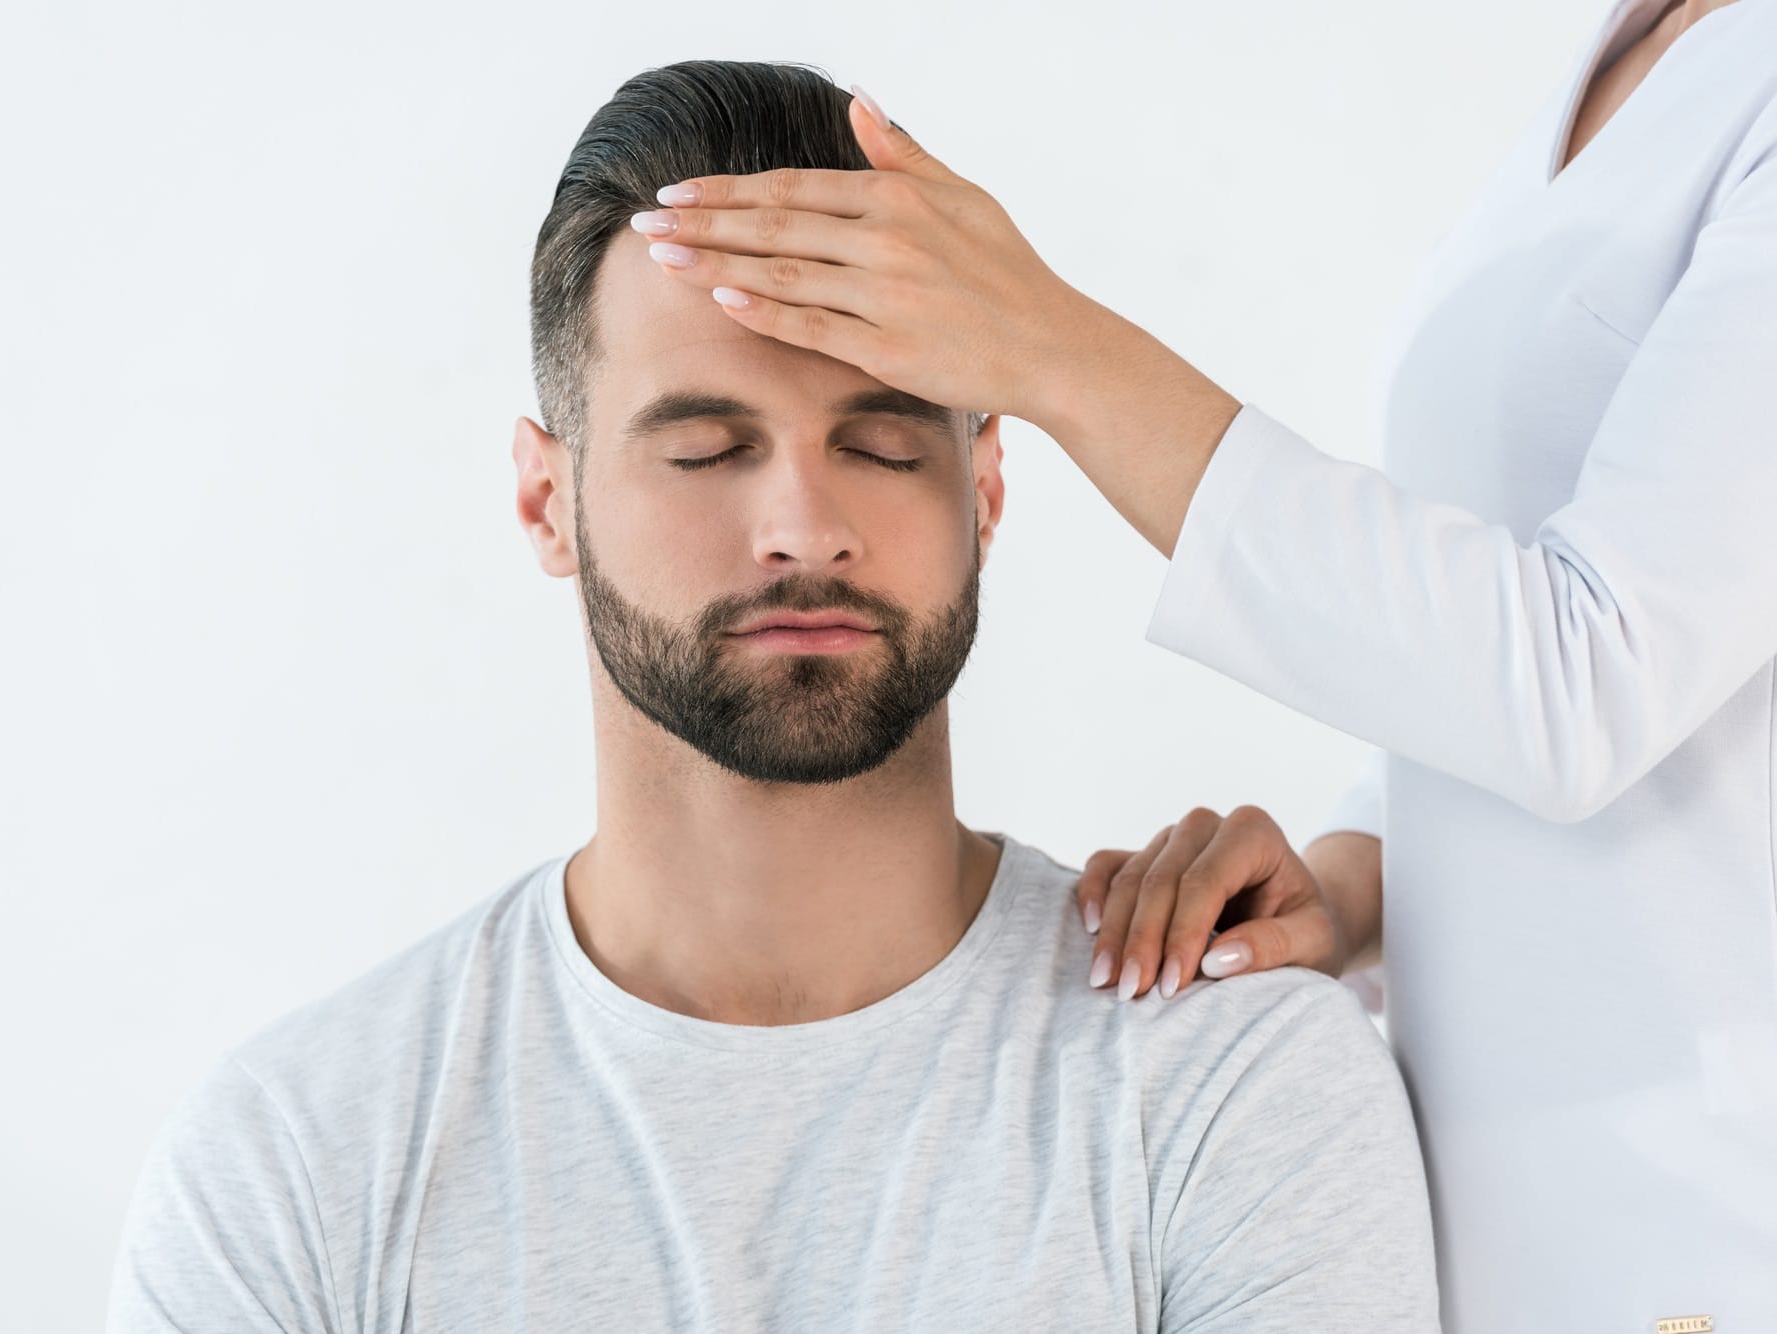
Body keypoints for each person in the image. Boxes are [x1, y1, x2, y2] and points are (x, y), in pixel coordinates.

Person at [106, 61, 1440, 1333]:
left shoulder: (1232, 1083)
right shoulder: (296, 1161)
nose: (805, 525)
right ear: (543, 497)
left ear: (983, 489)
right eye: (705, 450)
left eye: (877, 444)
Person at [633, 2, 1777, 1328]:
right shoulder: (1639, 54)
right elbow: (1566, 630)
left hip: (1706, 1219)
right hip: (1502, 1221)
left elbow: (1602, 671)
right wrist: (1355, 877)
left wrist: (1052, 345)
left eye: (886, 446)